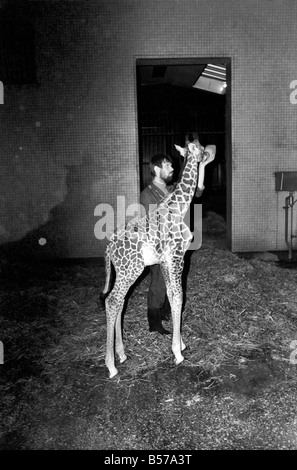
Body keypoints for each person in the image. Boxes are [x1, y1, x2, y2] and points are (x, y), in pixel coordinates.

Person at [140, 146, 215, 335]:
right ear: (157, 170)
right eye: (167, 165)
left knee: (174, 280)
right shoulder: (147, 194)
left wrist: (202, 165)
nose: (171, 168)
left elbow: (196, 191)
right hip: (158, 244)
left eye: (172, 165)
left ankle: (166, 312)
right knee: (158, 280)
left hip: (175, 243)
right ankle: (154, 322)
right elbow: (154, 221)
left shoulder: (172, 189)